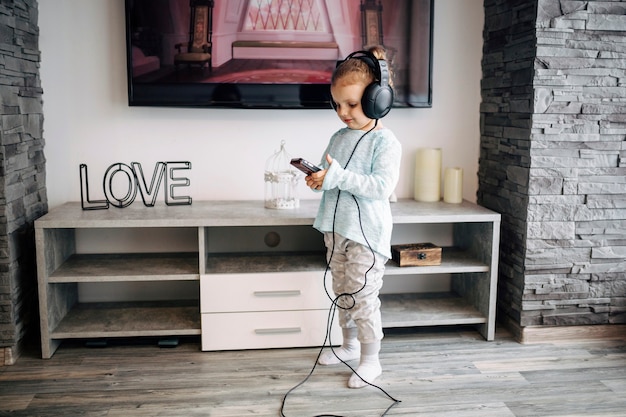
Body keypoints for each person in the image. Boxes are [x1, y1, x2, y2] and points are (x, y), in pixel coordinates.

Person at [305, 46, 402, 389]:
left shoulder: (384, 142)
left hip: (366, 236)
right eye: (337, 105)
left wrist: (337, 177)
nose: (343, 112)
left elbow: (380, 186)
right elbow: (330, 178)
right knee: (342, 292)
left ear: (377, 98)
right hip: (336, 230)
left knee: (363, 297)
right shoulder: (339, 137)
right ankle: (347, 346)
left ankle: (371, 360)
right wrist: (318, 180)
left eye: (352, 104)